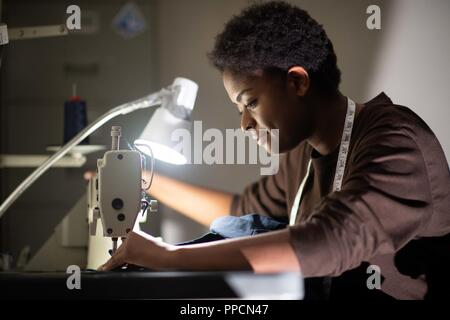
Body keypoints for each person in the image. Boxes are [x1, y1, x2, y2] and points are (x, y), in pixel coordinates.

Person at [99, 1, 450, 300]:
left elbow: (329, 241)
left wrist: (169, 258)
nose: (244, 125)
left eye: (250, 102)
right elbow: (242, 212)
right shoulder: (303, 153)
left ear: (297, 81)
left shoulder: (396, 142)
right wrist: (143, 179)